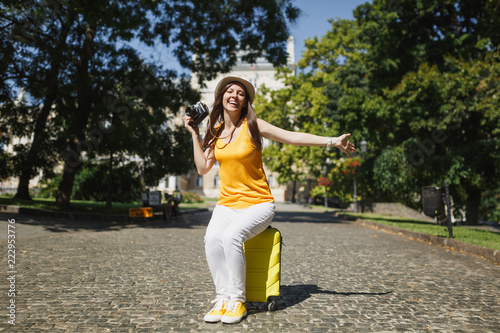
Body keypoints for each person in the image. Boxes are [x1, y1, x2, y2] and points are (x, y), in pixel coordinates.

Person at [183, 76, 356, 324]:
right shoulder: (215, 131)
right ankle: (222, 297)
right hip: (227, 204)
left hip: (258, 204)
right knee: (211, 238)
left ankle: (237, 301)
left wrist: (332, 141)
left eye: (240, 93)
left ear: (245, 102)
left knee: (231, 236)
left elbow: (291, 137)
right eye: (229, 91)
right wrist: (194, 133)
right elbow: (202, 168)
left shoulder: (253, 125)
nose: (234, 96)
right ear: (221, 97)